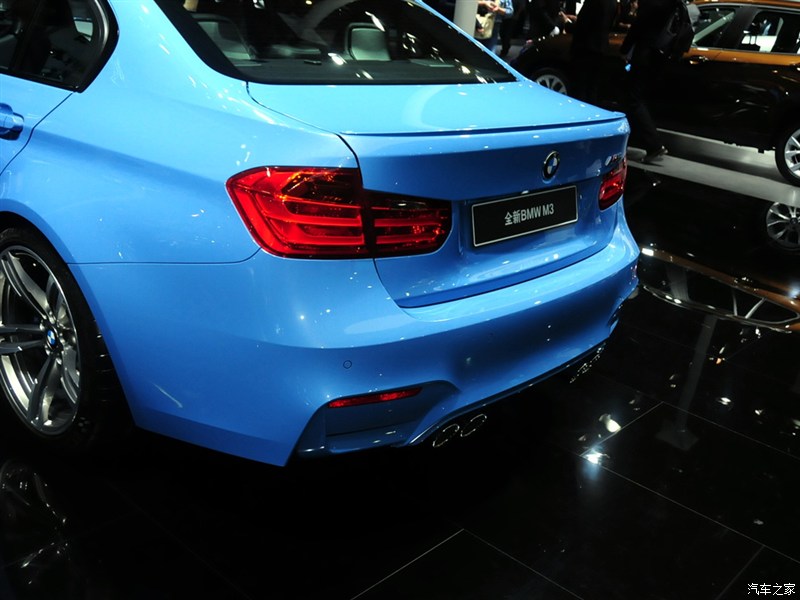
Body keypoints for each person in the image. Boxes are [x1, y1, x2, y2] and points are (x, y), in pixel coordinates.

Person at [619, 0, 675, 162]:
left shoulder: (652, 3)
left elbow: (638, 27)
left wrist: (624, 49)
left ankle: (654, 145)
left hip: (644, 55)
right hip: (657, 56)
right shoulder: (669, 4)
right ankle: (630, 142)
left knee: (633, 99)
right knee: (637, 99)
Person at [568, 0, 618, 104]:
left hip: (585, 48)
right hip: (601, 48)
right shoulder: (613, 2)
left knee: (580, 87)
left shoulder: (592, 2)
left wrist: (567, 24)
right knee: (592, 88)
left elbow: (582, 26)